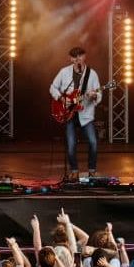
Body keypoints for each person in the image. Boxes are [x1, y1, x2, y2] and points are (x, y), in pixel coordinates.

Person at [49, 46, 102, 181]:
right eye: (74, 56)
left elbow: (99, 93)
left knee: (93, 142)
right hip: (69, 114)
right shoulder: (64, 72)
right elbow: (52, 87)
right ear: (70, 58)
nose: (77, 58)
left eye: (80, 55)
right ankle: (74, 170)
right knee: (71, 144)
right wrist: (62, 98)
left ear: (85, 57)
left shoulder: (92, 74)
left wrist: (94, 95)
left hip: (86, 114)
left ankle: (92, 170)